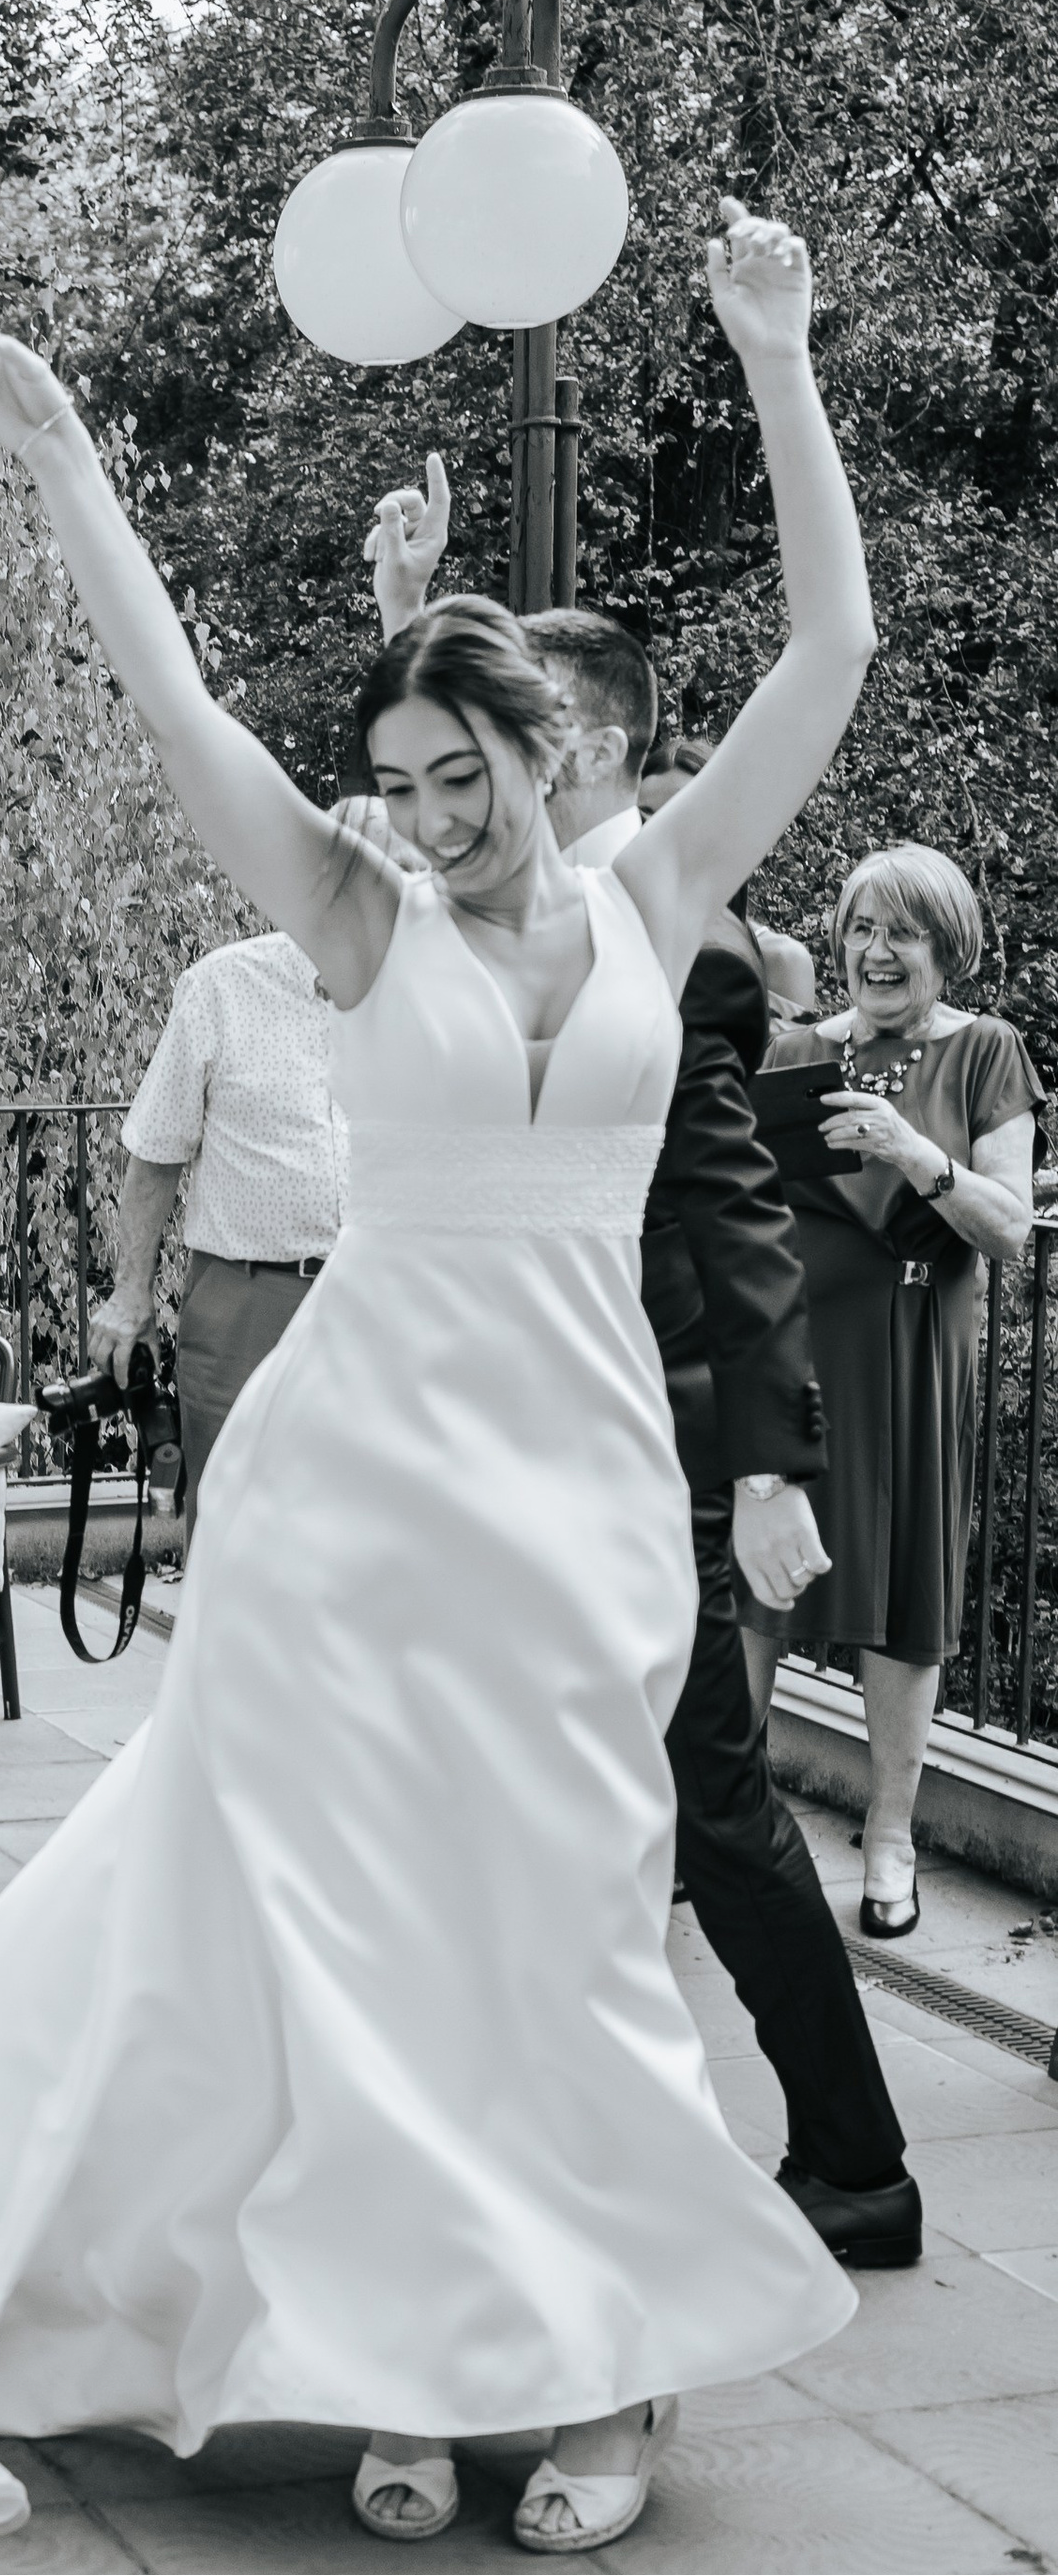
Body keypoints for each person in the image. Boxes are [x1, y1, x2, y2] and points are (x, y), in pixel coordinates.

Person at [0, 203, 868, 2553]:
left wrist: (774, 359)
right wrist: (64, 462)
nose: (424, 811)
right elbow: (171, 701)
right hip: (352, 1465)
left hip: (580, 1466)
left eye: (458, 771)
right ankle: (397, 2351)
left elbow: (830, 646)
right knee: (359, 1920)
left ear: (542, 747)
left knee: (565, 1910)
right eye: (394, 774)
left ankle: (600, 2377)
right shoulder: (351, 913)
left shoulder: (658, 896)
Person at [365, 520, 918, 2267]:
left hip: (647, 1432)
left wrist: (763, 1465)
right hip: (514, 1433)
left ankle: (855, 2166)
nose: (477, 763)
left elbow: (735, 1216)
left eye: (511, 723)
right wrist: (408, 620)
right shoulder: (508, 904)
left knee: (713, 1802)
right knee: (624, 1805)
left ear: (583, 743)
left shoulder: (680, 931)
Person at [737, 845, 1039, 1935]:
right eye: (861, 927)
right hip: (791, 1348)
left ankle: (891, 1837)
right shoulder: (795, 1049)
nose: (875, 950)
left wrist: (917, 1155)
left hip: (911, 1351)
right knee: (753, 1589)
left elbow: (1009, 1227)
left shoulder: (987, 1051)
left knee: (904, 1592)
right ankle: (726, 1827)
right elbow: (741, 1211)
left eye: (901, 932)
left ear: (944, 946)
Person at [91, 904, 348, 1499]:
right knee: (233, 1513)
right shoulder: (221, 986)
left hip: (388, 1299)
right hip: (249, 1303)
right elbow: (155, 1157)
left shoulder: (433, 991)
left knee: (377, 1522)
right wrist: (130, 1294)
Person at [639, 725, 816, 1012]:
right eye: (644, 821)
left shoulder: (779, 962)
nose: (658, 839)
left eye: (682, 822)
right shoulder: (599, 938)